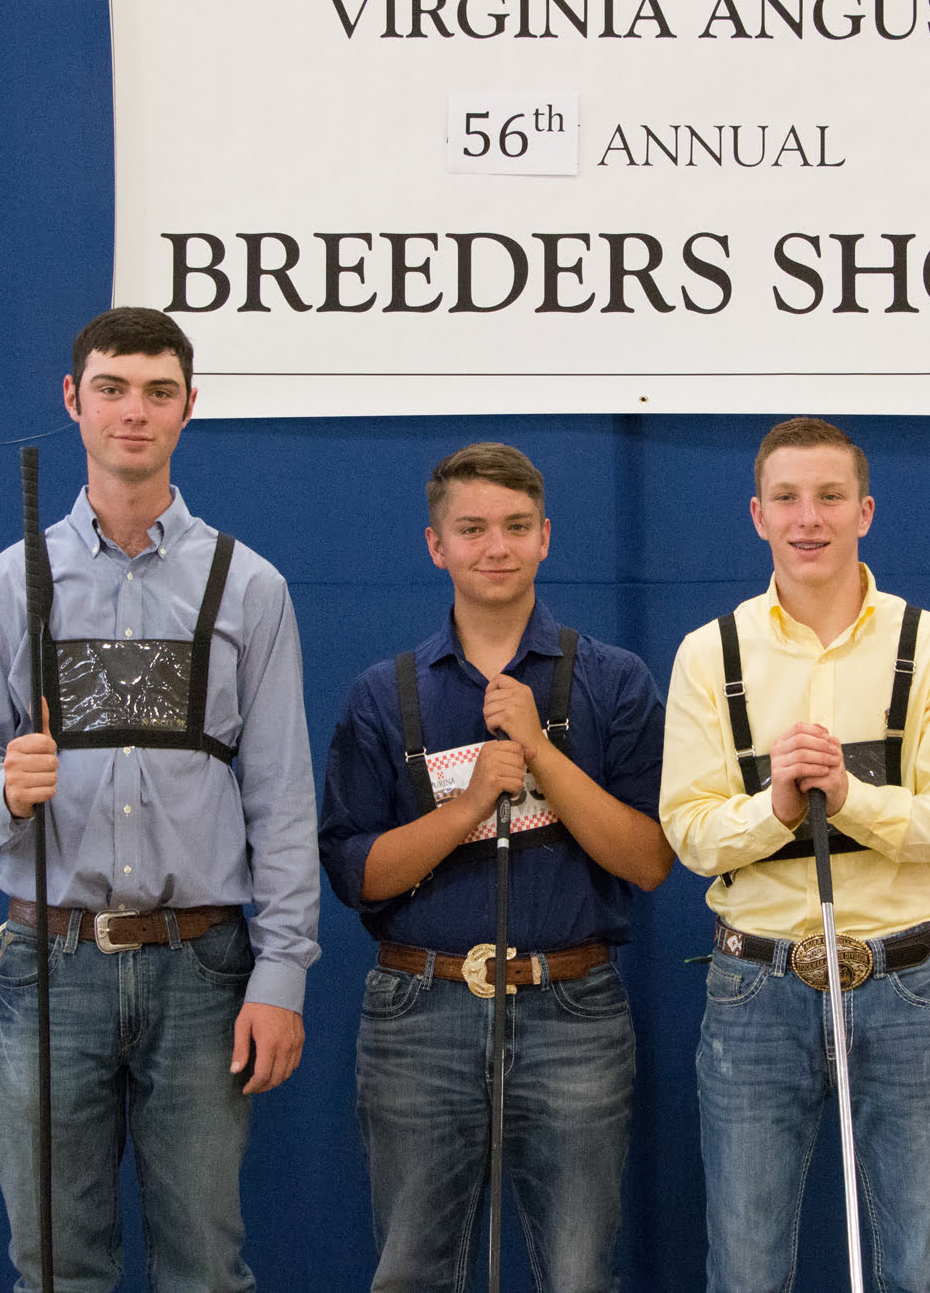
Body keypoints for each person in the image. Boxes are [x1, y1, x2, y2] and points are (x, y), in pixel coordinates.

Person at [0, 307, 320, 1293]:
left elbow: (282, 798)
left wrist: (282, 974)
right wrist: (2, 791)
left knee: (205, 1267)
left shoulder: (249, 586)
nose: (133, 411)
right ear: (74, 400)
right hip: (51, 964)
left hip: (204, 968)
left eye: (157, 391)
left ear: (189, 406)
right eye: (111, 388)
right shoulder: (8, 585)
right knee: (57, 1266)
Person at [320, 441, 672, 1292]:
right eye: (472, 529)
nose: (496, 547)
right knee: (411, 1270)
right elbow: (356, 875)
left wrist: (543, 755)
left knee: (579, 1275)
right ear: (436, 545)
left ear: (545, 537)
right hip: (420, 1011)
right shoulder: (382, 696)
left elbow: (651, 859)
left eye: (517, 527)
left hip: (573, 1011)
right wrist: (469, 804)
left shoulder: (615, 682)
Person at [659, 416, 930, 1293]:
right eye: (788, 498)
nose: (810, 518)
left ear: (865, 511)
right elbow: (689, 833)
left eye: (831, 497)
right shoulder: (710, 654)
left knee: (922, 1266)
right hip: (754, 986)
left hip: (904, 981)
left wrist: (850, 797)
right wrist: (776, 807)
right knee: (746, 1268)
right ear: (759, 515)